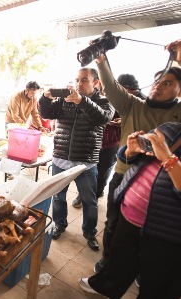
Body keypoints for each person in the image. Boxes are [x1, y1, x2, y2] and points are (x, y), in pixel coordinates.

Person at [93, 50, 181, 273]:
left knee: (152, 231)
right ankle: (108, 260)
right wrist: (101, 59)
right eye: (157, 81)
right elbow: (111, 86)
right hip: (124, 174)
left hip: (164, 183)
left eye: (167, 83)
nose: (158, 86)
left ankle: (142, 269)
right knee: (113, 222)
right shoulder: (133, 105)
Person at [79, 122, 181, 299]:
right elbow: (129, 158)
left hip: (164, 229)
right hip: (130, 213)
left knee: (156, 280)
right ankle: (104, 287)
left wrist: (167, 156)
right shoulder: (170, 128)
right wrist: (130, 150)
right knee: (120, 259)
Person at [39, 67, 114, 251]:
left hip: (86, 163)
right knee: (58, 197)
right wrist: (45, 98)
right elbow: (46, 114)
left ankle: (89, 232)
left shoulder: (105, 102)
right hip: (61, 159)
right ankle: (60, 224)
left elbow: (101, 118)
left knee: (89, 201)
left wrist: (82, 101)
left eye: (84, 80)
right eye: (77, 80)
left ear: (95, 82)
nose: (79, 84)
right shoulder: (67, 99)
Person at [72, 73, 146, 208]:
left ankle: (95, 194)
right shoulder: (107, 97)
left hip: (114, 143)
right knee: (89, 170)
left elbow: (140, 123)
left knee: (103, 172)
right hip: (97, 140)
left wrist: (122, 122)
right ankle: (82, 195)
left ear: (126, 88)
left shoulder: (141, 102)